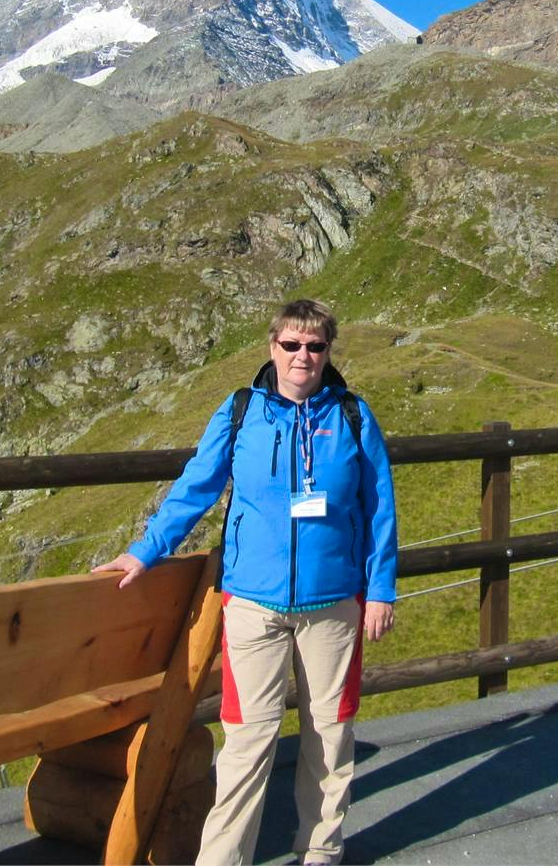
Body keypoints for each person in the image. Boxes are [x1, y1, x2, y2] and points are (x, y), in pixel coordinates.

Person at [95, 299, 398, 866]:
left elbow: (379, 505)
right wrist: (145, 552)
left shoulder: (353, 415)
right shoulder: (240, 411)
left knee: (330, 737)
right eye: (291, 345)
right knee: (246, 741)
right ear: (272, 347)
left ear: (329, 351)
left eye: (315, 346)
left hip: (335, 604)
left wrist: (380, 590)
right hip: (253, 604)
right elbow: (196, 487)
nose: (303, 356)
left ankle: (320, 851)